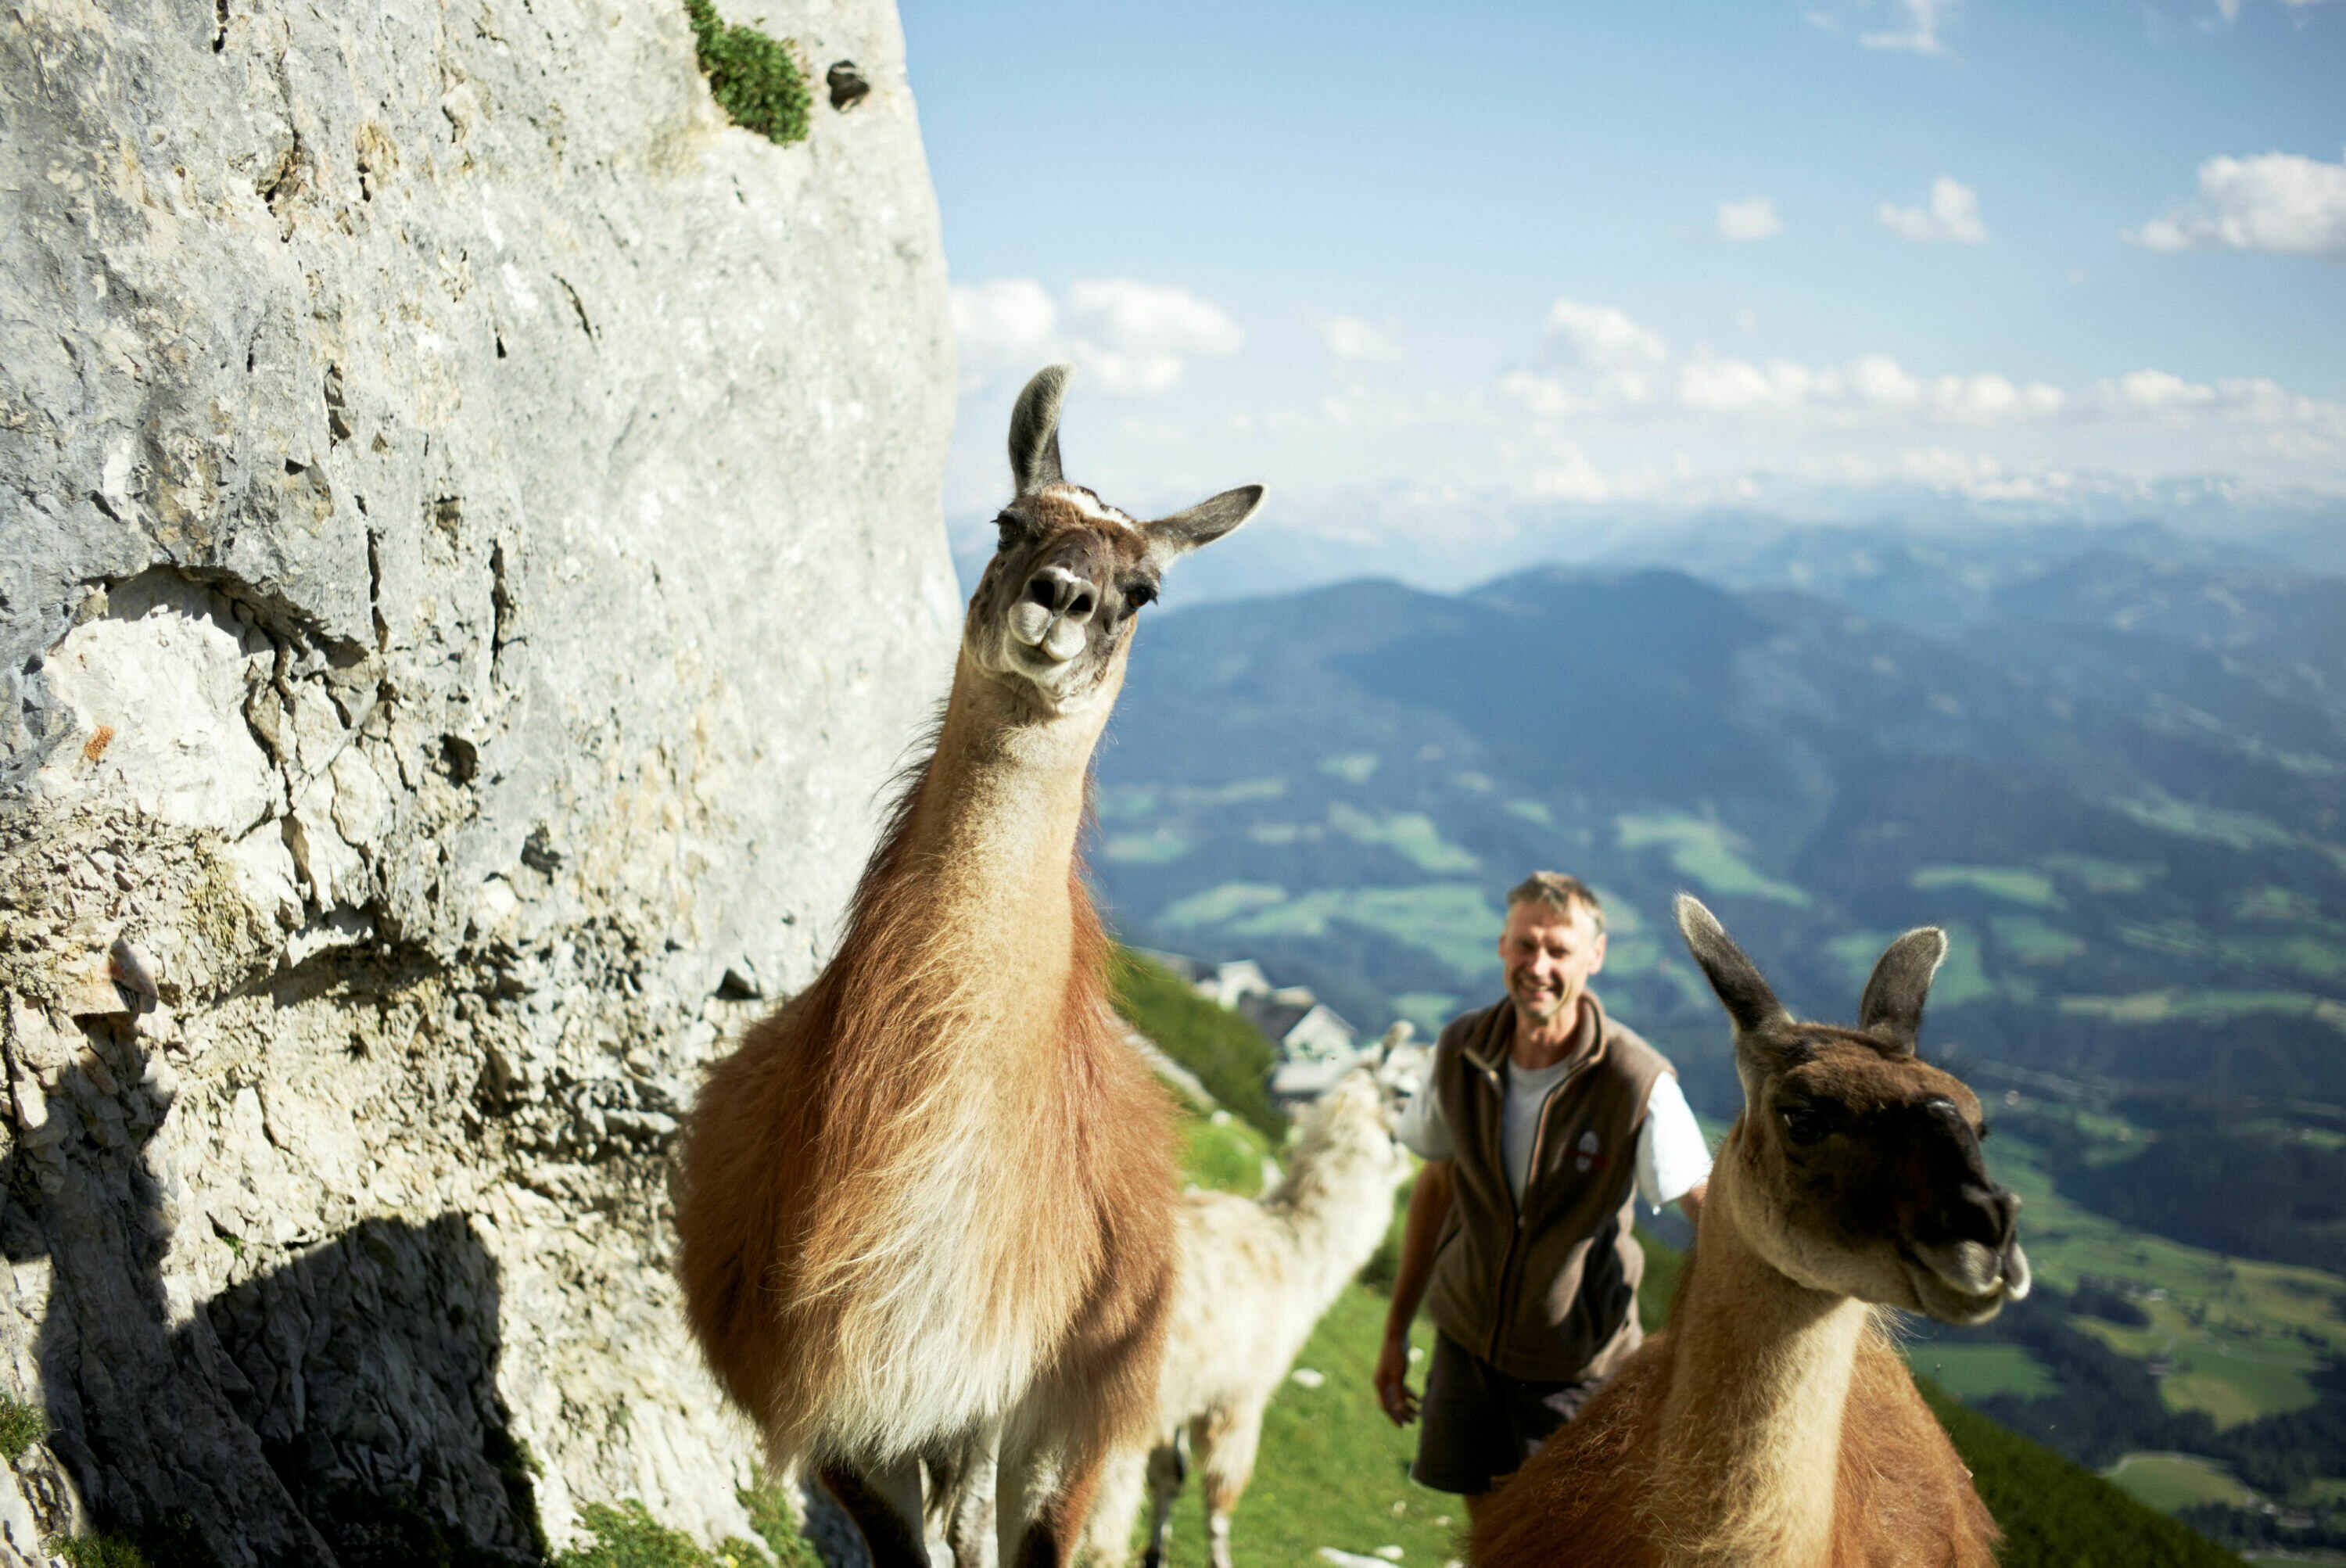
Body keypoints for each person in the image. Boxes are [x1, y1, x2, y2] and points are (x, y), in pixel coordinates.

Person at [1372, 872, 1710, 1516]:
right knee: (1486, 1535)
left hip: (1574, 1373)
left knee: (1560, 1546)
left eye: (1559, 950)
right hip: (1469, 1345)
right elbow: (1436, 1184)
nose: (1539, 967)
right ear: (1502, 945)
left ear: (1595, 957)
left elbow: (1707, 1209)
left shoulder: (1636, 1080)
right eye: (1526, 945)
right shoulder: (1459, 1049)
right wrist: (1394, 1333)